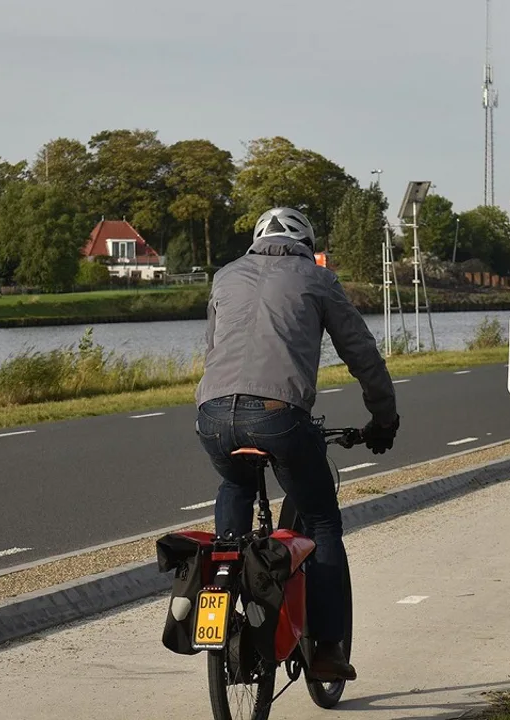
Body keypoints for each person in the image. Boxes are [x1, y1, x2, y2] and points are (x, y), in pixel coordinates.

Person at [194, 207, 399, 682]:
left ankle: (226, 575)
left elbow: (212, 350)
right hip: (279, 416)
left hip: (212, 415)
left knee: (235, 485)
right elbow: (362, 355)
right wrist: (383, 420)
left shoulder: (225, 276)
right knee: (322, 520)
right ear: (306, 245)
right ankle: (327, 648)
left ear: (256, 241)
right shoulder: (318, 279)